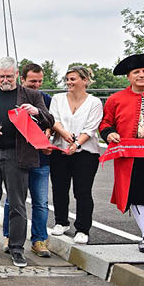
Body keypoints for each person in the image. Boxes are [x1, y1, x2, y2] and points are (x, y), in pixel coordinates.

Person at [0, 57, 54, 267]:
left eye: (9, 76)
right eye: (1, 76)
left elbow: (49, 119)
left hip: (17, 156)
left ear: (17, 75)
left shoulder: (32, 95)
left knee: (17, 203)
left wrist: (36, 111)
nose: (5, 80)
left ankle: (17, 247)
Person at [99, 53, 144, 253]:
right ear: (129, 77)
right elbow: (105, 123)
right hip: (133, 155)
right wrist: (109, 134)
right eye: (136, 72)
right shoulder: (115, 99)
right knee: (138, 195)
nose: (142, 75)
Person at [49, 65, 103, 245]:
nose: (69, 82)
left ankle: (82, 228)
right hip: (60, 150)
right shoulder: (57, 99)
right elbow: (54, 120)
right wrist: (65, 135)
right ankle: (61, 222)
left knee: (82, 191)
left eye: (73, 79)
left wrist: (77, 143)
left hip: (86, 153)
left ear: (85, 81)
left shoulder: (94, 102)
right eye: (67, 79)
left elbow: (91, 127)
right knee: (59, 188)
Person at [3, 63, 53, 257]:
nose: (36, 85)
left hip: (41, 158)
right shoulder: (13, 97)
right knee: (14, 200)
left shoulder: (46, 99)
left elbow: (52, 121)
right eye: (33, 81)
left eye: (40, 81)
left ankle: (39, 240)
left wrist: (48, 132)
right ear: (22, 79)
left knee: (40, 201)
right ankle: (9, 236)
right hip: (20, 157)